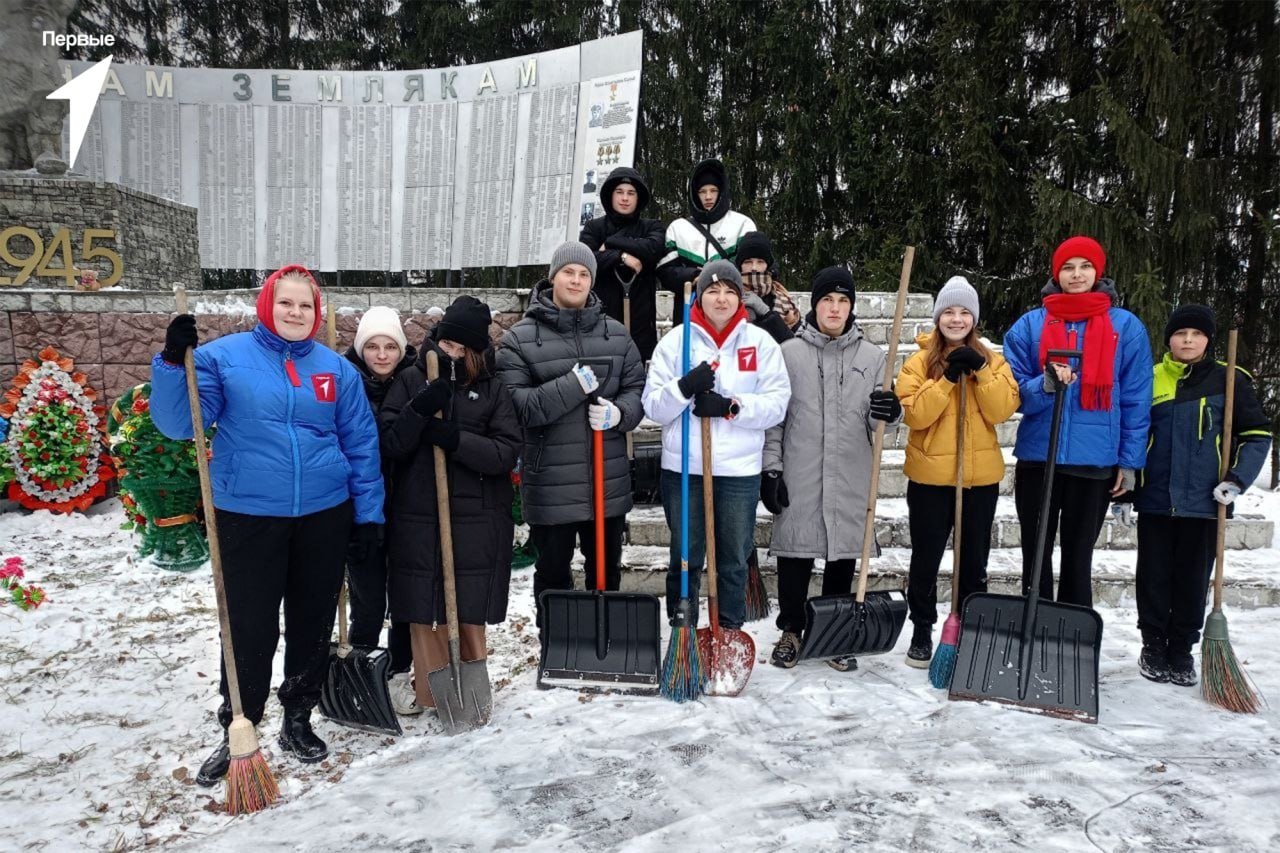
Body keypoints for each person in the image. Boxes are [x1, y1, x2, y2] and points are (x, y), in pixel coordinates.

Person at [150, 264, 383, 786]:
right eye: (286, 304)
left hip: (324, 512)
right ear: (266, 306)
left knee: (312, 618)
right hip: (248, 513)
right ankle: (241, 721)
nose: (296, 313)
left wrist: (368, 518)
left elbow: (361, 445)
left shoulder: (336, 370)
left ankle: (298, 714)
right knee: (248, 624)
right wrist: (171, 363)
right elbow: (177, 423)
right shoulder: (221, 359)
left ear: (317, 312)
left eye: (305, 305)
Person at [380, 296, 521, 713]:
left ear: (478, 352)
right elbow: (390, 443)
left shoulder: (493, 389)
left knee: (468, 604)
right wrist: (420, 410)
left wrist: (456, 439)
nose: (453, 355)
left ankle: (471, 689)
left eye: (463, 349)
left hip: (477, 517)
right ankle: (429, 691)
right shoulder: (410, 380)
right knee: (424, 606)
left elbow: (506, 452)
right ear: (437, 340)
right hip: (419, 514)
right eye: (448, 346)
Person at [496, 242, 646, 626]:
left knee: (605, 570)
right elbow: (520, 408)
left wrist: (619, 413)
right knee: (552, 573)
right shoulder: (520, 339)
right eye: (569, 272)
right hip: (552, 484)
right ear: (552, 278)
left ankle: (607, 637)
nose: (576, 280)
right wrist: (572, 386)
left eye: (584, 274)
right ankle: (556, 642)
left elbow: (636, 390)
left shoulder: (616, 335)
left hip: (605, 480)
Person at [760, 266, 901, 670]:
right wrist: (771, 471)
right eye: (827, 300)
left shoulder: (873, 357)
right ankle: (791, 629)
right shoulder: (789, 353)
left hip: (850, 471)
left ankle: (836, 632)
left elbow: (883, 422)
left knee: (842, 556)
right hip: (801, 470)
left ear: (851, 307)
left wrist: (892, 413)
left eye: (843, 301)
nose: (835, 308)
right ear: (814, 305)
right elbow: (775, 420)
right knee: (794, 553)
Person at [1002, 236, 1153, 607]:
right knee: (1034, 555)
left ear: (1098, 272)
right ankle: (1032, 622)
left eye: (1085, 266)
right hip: (1039, 457)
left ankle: (1070, 630)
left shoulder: (1125, 327)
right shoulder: (1030, 325)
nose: (1077, 274)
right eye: (1068, 267)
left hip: (1094, 461)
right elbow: (1010, 391)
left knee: (1077, 555)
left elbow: (1135, 398)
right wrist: (1046, 385)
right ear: (1057, 273)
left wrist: (1129, 462)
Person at [1126, 305, 1271, 686]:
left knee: (1192, 579)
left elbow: (1256, 435)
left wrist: (1237, 480)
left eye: (1196, 334)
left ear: (1208, 339)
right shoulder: (1149, 378)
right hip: (1156, 497)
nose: (1187, 340)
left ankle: (1181, 651)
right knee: (1153, 576)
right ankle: (1153, 645)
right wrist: (1126, 490)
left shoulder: (1230, 380)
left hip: (1207, 502)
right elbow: (1132, 433)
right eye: (1180, 333)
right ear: (1168, 338)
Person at [643, 261, 790, 631]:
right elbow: (653, 406)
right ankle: (684, 632)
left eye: (730, 291)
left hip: (739, 472)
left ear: (741, 297)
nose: (721, 298)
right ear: (699, 295)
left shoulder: (760, 342)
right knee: (685, 555)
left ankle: (727, 631)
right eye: (713, 290)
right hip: (685, 470)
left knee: (733, 558)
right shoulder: (677, 341)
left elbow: (778, 402)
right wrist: (684, 387)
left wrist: (730, 406)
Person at [895, 277, 1019, 666]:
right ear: (937, 318)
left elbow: (1002, 410)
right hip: (930, 480)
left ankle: (967, 627)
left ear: (974, 318)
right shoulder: (918, 362)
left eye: (964, 311)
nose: (956, 318)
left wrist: (980, 370)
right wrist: (947, 378)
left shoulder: (994, 361)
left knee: (973, 562)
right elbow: (915, 414)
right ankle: (922, 627)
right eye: (948, 311)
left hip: (979, 479)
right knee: (926, 559)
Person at [343, 306, 416, 710]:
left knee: (404, 594)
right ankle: (363, 665)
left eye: (390, 346)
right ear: (361, 348)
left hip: (406, 508)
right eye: (372, 346)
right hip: (361, 512)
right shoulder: (344, 382)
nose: (382, 354)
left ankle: (400, 668)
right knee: (368, 596)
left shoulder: (416, 381)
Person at [578, 167, 666, 360]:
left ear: (638, 198)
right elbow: (586, 260)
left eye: (631, 193)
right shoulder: (594, 228)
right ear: (611, 196)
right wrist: (621, 257)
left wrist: (610, 243)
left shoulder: (651, 227)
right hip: (602, 322)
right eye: (619, 192)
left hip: (641, 323)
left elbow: (652, 249)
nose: (625, 198)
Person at [656, 159, 756, 319]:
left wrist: (716, 277)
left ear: (722, 192)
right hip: (689, 311)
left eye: (713, 190)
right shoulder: (678, 228)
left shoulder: (742, 224)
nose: (708, 196)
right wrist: (694, 276)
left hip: (730, 309)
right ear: (695, 194)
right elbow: (665, 271)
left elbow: (752, 266)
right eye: (702, 191)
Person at [734, 231, 795, 345]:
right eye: (748, 262)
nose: (754, 268)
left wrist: (766, 313)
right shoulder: (730, 294)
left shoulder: (782, 298)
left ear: (767, 265)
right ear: (740, 265)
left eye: (760, 262)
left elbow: (792, 345)